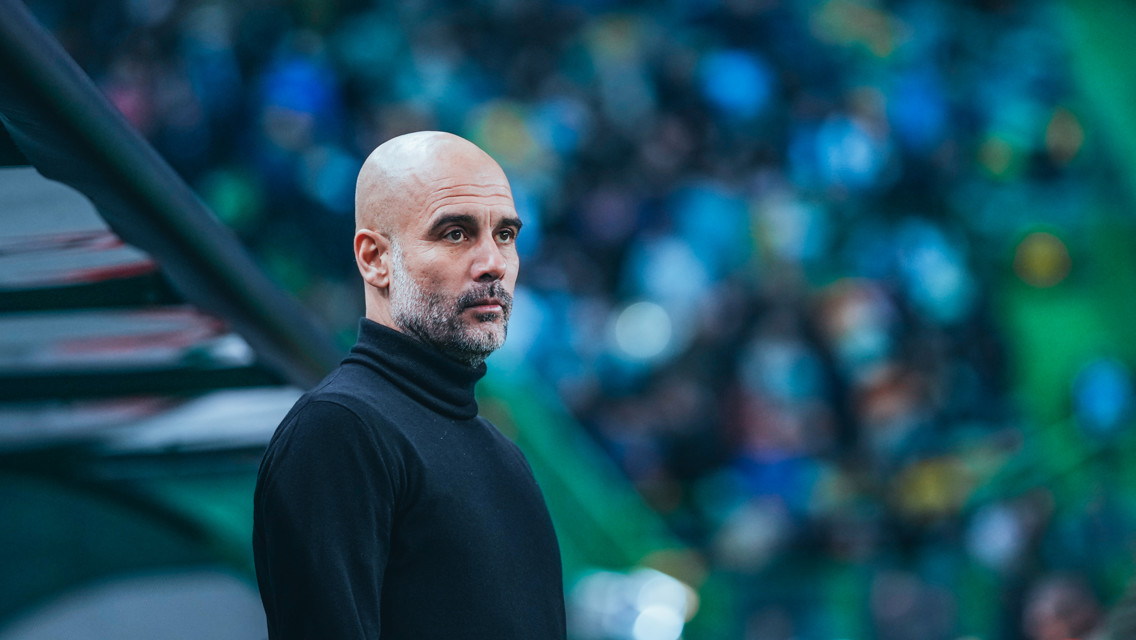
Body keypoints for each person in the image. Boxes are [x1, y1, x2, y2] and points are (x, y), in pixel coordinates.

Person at [252, 131, 567, 639]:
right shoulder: (339, 431)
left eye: (505, 235)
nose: (493, 263)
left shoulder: (506, 456)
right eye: (455, 233)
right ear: (375, 259)